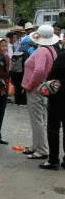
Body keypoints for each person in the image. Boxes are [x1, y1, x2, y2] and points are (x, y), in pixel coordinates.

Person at [22, 24, 60, 160]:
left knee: (37, 119)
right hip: (43, 87)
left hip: (35, 89)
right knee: (40, 118)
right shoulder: (51, 49)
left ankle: (41, 149)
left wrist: (29, 84)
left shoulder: (42, 51)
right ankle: (36, 146)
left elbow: (38, 70)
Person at [39, 47, 65, 170]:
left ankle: (53, 159)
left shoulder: (61, 57)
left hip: (58, 99)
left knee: (53, 129)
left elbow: (53, 76)